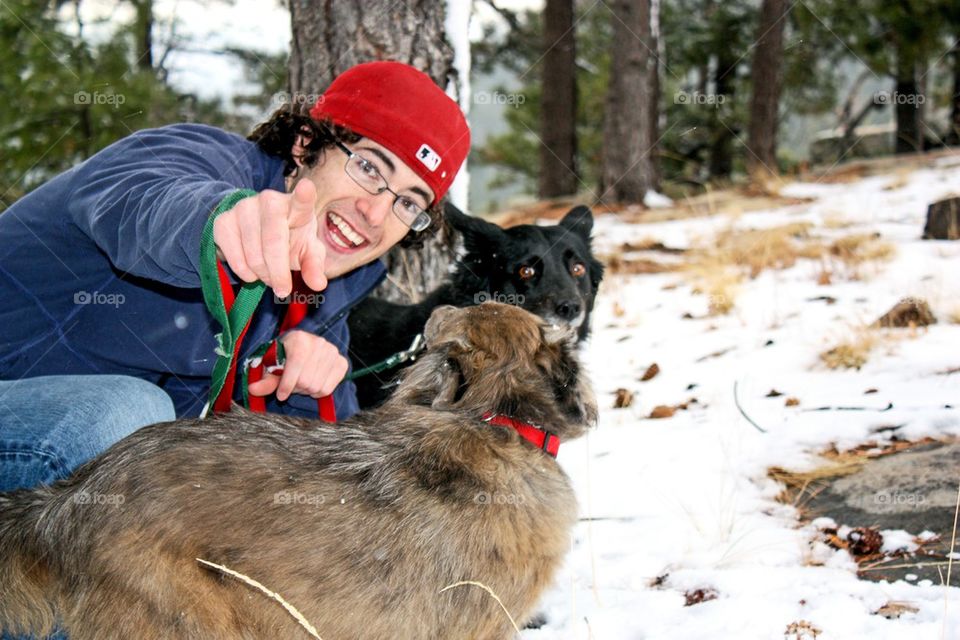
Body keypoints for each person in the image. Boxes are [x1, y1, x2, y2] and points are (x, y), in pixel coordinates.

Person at [0, 61, 471, 497]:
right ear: (306, 145)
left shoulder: (326, 293)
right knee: (125, 417)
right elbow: (138, 201)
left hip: (80, 490)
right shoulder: (197, 158)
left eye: (408, 202)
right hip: (25, 407)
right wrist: (218, 223)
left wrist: (303, 385)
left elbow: (321, 468)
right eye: (369, 167)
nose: (375, 212)